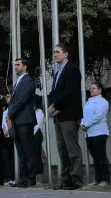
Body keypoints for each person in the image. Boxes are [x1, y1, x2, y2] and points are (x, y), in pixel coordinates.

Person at [48, 44, 84, 190]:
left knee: (72, 149)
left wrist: (55, 106)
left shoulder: (72, 69)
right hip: (59, 116)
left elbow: (70, 91)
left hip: (69, 115)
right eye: (54, 52)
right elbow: (55, 93)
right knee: (62, 150)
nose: (55, 54)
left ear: (66, 54)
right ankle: (66, 180)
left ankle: (76, 180)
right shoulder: (57, 72)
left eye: (57, 52)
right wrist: (52, 107)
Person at [7, 58, 37, 188]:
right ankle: (24, 178)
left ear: (25, 67)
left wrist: (10, 113)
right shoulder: (18, 82)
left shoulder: (29, 81)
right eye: (15, 65)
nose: (15, 67)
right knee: (21, 151)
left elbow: (22, 99)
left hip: (25, 120)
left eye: (18, 65)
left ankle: (30, 178)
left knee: (28, 151)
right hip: (17, 121)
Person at [81, 83, 110, 187]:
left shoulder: (103, 102)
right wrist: (82, 124)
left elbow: (98, 116)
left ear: (100, 90)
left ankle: (106, 179)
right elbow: (84, 115)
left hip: (99, 132)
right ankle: (97, 179)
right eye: (91, 88)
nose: (91, 90)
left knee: (101, 156)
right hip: (89, 133)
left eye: (94, 88)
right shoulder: (88, 102)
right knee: (95, 156)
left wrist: (86, 124)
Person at [1, 96, 15, 185]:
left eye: (9, 97)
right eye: (6, 97)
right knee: (6, 158)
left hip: (12, 135)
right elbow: (3, 122)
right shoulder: (5, 111)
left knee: (13, 157)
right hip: (5, 137)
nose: (8, 99)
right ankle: (8, 176)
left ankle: (13, 176)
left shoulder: (14, 109)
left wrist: (8, 131)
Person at [34, 95, 45, 177]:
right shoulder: (33, 111)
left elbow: (37, 124)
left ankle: (39, 172)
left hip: (37, 133)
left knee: (37, 154)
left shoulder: (39, 111)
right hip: (32, 134)